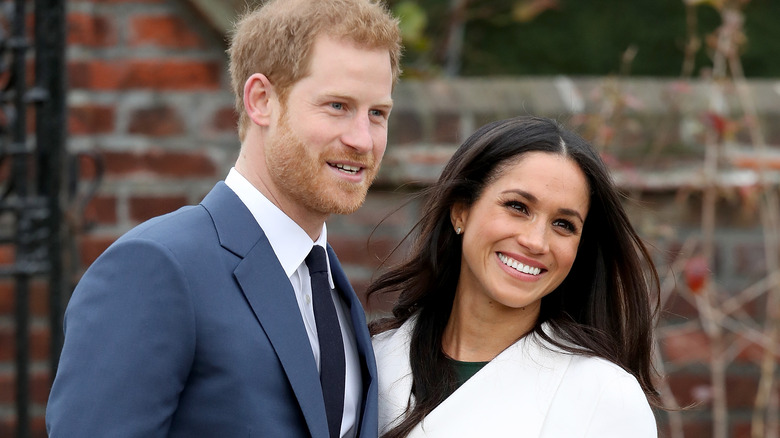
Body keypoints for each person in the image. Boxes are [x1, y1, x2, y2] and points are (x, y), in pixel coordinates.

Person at [46, 0, 401, 437]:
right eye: (337, 106)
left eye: (377, 113)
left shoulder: (331, 285)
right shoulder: (156, 267)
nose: (362, 139)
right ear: (261, 100)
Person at [369, 116, 661, 437]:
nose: (536, 242)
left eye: (564, 224)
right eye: (518, 207)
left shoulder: (604, 397)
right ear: (461, 211)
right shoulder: (371, 359)